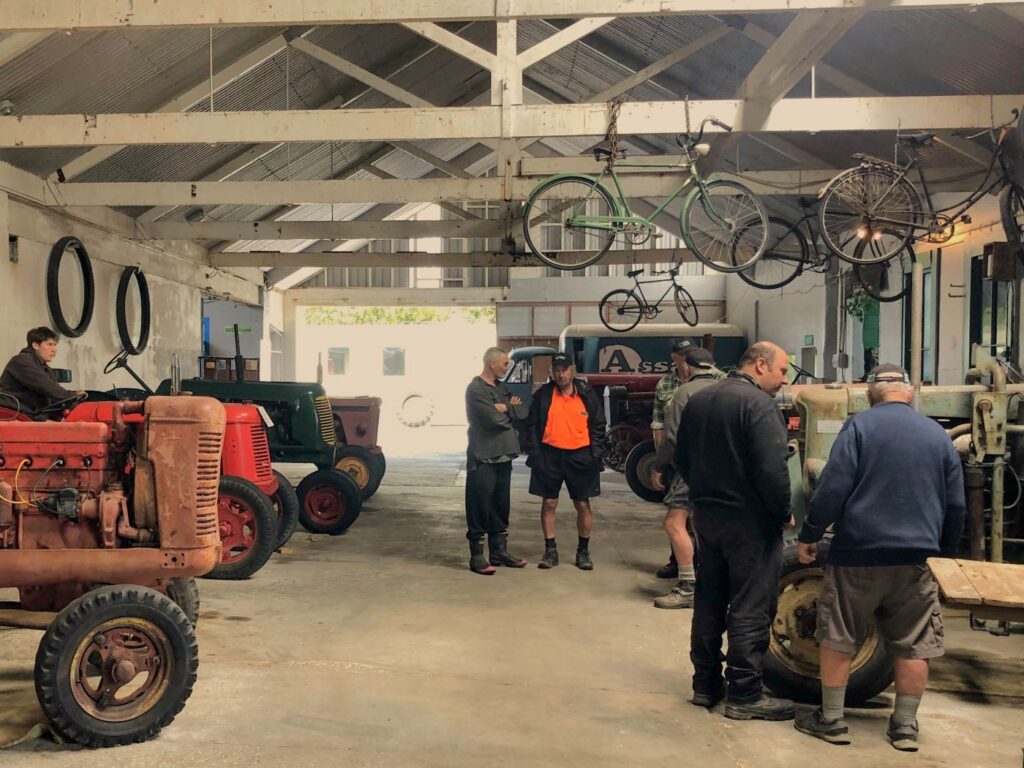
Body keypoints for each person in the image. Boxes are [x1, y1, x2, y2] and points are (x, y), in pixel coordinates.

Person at [794, 364, 965, 751]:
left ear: (871, 394)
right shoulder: (937, 436)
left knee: (839, 635)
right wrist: (944, 554)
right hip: (916, 557)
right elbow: (955, 504)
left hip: (857, 553)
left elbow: (833, 487)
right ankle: (904, 726)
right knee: (914, 642)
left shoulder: (859, 427)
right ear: (909, 393)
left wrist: (810, 534)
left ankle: (832, 720)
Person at [676, 341, 794, 720]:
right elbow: (772, 470)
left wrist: (704, 495)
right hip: (750, 522)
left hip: (707, 518)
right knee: (750, 604)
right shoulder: (759, 405)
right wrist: (783, 512)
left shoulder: (699, 401)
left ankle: (705, 684)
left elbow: (681, 458)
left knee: (709, 600)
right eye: (782, 371)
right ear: (760, 365)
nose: (785, 380)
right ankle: (745, 693)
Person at [650, 347, 722, 609]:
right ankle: (713, 583)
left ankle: (688, 586)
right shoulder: (727, 390)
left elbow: (671, 437)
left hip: (693, 469)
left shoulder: (684, 392)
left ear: (687, 368)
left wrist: (659, 466)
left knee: (674, 523)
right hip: (724, 471)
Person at [524, 354, 605, 570]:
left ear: (573, 370)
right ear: (552, 372)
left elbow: (599, 424)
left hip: (581, 457)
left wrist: (595, 454)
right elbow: (531, 425)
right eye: (557, 370)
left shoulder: (586, 393)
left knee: (582, 504)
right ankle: (550, 550)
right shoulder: (543, 395)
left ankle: (583, 551)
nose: (561, 375)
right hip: (549, 456)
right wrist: (536, 454)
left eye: (565, 369)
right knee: (549, 503)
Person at [464, 347, 529, 575]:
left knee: (501, 506)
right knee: (479, 506)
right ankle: (476, 557)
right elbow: (493, 420)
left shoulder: (502, 388)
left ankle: (499, 552)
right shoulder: (475, 389)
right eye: (504, 363)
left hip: (504, 456)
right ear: (492, 364)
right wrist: (508, 411)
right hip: (483, 457)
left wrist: (505, 408)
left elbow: (523, 412)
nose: (506, 367)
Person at [651, 339, 692, 580]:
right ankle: (677, 561)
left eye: (689, 354)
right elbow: (658, 423)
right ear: (673, 357)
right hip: (674, 459)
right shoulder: (665, 384)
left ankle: (699, 566)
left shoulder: (713, 379)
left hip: (701, 460)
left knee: (698, 516)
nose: (685, 359)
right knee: (675, 512)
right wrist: (661, 459)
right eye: (681, 355)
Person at [0, 327, 84, 416]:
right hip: (13, 412)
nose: (54, 349)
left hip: (29, 412)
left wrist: (71, 397)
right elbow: (47, 387)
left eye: (54, 345)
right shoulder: (22, 360)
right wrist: (71, 395)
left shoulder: (43, 367)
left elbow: (53, 393)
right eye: (49, 344)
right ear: (35, 345)